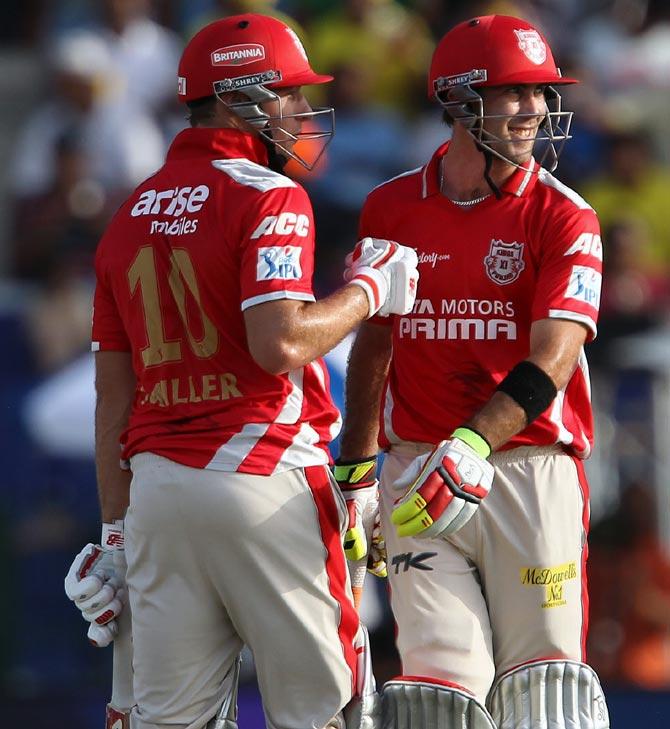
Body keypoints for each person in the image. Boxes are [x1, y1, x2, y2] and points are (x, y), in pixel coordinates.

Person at [63, 13, 419, 729]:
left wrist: (113, 531)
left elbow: (113, 396)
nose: (300, 111)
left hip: (159, 495)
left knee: (168, 721)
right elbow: (280, 344)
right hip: (263, 479)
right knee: (327, 711)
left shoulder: (130, 211)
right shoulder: (268, 194)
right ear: (245, 98)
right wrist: (370, 290)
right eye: (288, 93)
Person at [337, 14, 611, 729]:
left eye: (540, 93)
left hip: (527, 468)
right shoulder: (391, 206)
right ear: (459, 101)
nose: (535, 110)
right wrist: (356, 470)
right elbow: (374, 345)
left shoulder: (565, 215)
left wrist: (474, 443)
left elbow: (554, 355)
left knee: (544, 697)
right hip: (416, 476)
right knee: (439, 697)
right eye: (513, 92)